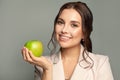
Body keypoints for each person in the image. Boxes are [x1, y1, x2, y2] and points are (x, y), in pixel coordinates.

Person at [21, 1, 114, 80]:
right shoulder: (42, 65)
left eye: (74, 25)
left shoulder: (101, 63)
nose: (64, 30)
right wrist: (47, 69)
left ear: (84, 33)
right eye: (60, 22)